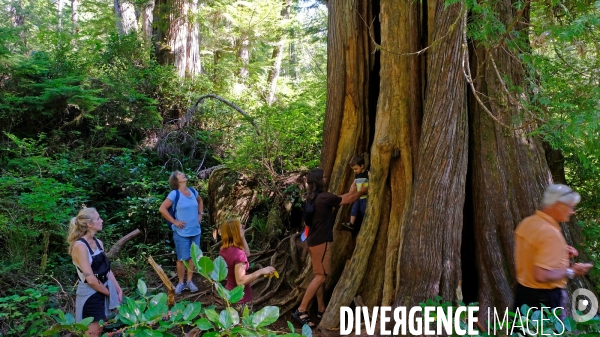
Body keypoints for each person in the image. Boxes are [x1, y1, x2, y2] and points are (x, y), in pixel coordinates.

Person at [292, 168, 367, 327]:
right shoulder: (323, 197)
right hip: (321, 242)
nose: (326, 178)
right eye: (324, 176)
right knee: (321, 277)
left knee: (319, 275)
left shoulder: (312, 198)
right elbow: (350, 199)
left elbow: (342, 198)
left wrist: (351, 191)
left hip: (313, 241)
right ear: (319, 180)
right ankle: (302, 310)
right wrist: (364, 191)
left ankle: (321, 308)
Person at [514, 184, 593, 316]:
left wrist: (560, 251)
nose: (573, 211)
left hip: (523, 295)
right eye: (571, 207)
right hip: (543, 301)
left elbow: (533, 252)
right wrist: (572, 271)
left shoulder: (528, 223)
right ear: (558, 205)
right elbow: (541, 275)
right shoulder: (549, 233)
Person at [68, 207, 122, 337]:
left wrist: (118, 290)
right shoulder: (80, 247)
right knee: (93, 332)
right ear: (89, 224)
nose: (102, 220)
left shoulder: (99, 243)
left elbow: (106, 271)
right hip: (90, 294)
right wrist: (110, 294)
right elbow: (91, 280)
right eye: (98, 218)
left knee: (103, 327)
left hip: (103, 288)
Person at [159, 171, 204, 295]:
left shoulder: (193, 191)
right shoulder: (174, 194)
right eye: (180, 174)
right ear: (175, 180)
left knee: (193, 257)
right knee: (181, 258)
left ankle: (189, 281)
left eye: (183, 173)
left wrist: (200, 214)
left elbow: (200, 201)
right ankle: (180, 282)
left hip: (195, 231)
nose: (183, 174)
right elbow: (162, 209)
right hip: (181, 232)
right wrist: (174, 221)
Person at [219, 218, 275, 310]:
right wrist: (261, 271)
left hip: (228, 295)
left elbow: (247, 253)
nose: (243, 227)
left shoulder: (224, 249)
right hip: (241, 300)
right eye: (240, 227)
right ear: (235, 232)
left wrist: (242, 237)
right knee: (244, 324)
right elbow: (240, 281)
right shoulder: (239, 254)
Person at [341, 155, 369, 235]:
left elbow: (373, 182)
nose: (354, 171)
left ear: (362, 166)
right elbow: (354, 183)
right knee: (354, 209)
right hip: (357, 197)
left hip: (365, 197)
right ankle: (351, 223)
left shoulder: (367, 173)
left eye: (356, 169)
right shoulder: (357, 175)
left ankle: (365, 223)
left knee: (363, 210)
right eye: (353, 169)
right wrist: (351, 192)